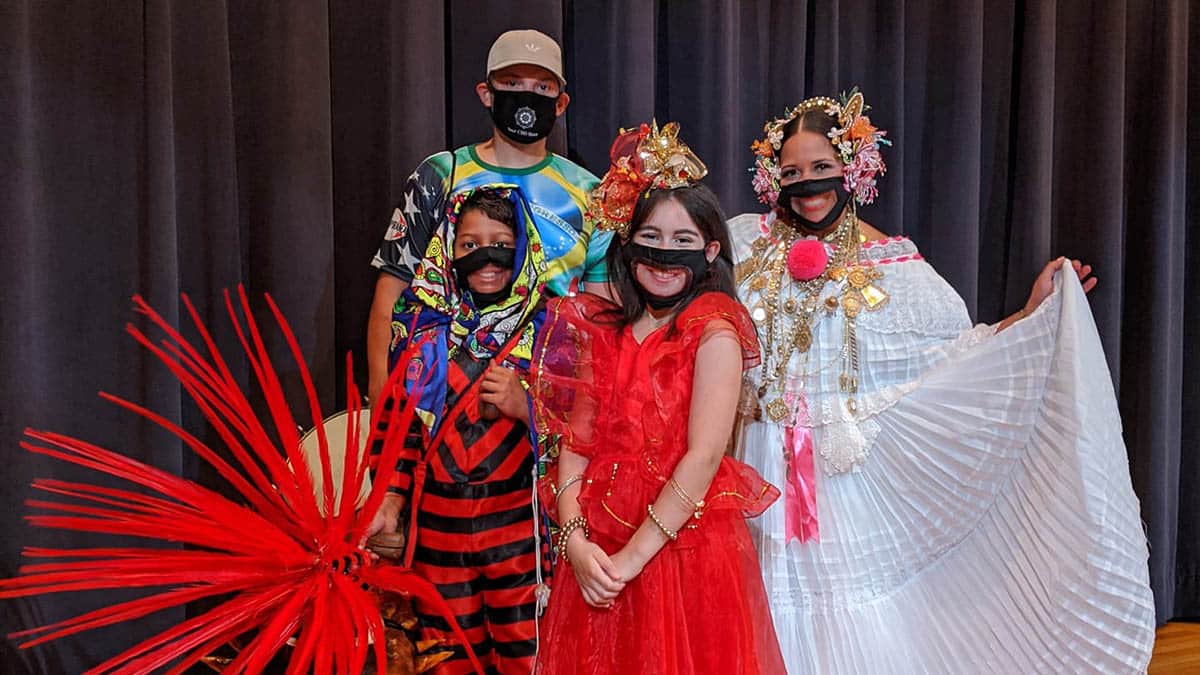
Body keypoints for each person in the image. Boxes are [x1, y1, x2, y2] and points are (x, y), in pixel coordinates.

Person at [731, 91, 1155, 673]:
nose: (807, 183)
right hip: (752, 465)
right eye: (792, 172)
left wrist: (1031, 316)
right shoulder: (743, 245)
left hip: (840, 484)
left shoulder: (896, 267)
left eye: (823, 167)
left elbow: (954, 358)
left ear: (856, 168)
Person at [364, 28, 610, 674]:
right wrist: (386, 470)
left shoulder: (592, 194)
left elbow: (603, 334)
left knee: (529, 631)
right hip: (435, 424)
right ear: (485, 91)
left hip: (535, 460)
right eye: (511, 85)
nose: (526, 98)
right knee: (442, 637)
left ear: (562, 100)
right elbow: (391, 304)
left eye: (541, 88)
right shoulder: (440, 176)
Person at [530, 122, 786, 675]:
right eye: (651, 236)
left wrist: (630, 560)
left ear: (710, 249)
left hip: (678, 552)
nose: (664, 254)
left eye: (682, 240)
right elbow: (576, 443)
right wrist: (575, 541)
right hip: (596, 553)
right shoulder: (607, 328)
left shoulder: (714, 330)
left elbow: (703, 456)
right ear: (628, 243)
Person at [365, 185, 550, 674]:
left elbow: (588, 428)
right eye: (469, 244)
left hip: (518, 531)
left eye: (501, 243)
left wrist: (526, 406)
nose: (485, 256)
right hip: (438, 532)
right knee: (446, 656)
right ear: (447, 246)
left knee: (527, 655)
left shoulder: (552, 326)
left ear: (525, 246)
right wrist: (390, 497)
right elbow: (398, 427)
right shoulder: (421, 328)